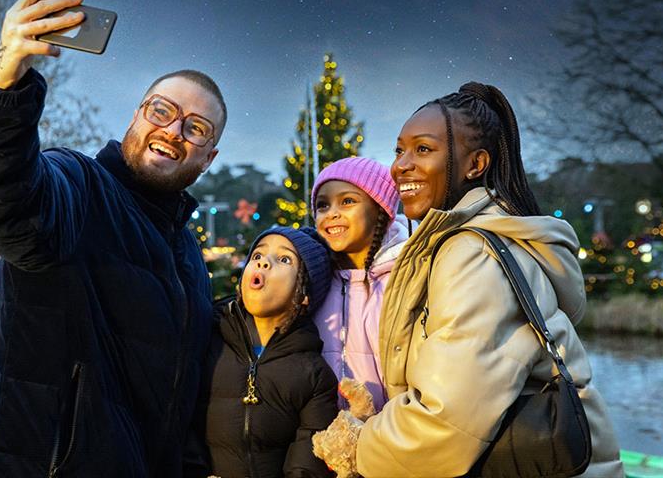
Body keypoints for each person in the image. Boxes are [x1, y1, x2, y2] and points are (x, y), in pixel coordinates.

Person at [0, 0, 226, 476]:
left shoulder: (187, 252)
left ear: (209, 157)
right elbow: (3, 197)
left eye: (197, 128)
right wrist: (2, 85)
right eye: (161, 110)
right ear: (137, 114)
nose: (173, 131)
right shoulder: (77, 185)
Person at [314, 82, 624, 477]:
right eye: (399, 150)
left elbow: (446, 421)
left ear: (475, 165)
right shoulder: (487, 239)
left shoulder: (472, 254)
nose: (401, 165)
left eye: (423, 149)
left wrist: (358, 447)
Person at [199, 227, 338, 478]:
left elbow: (306, 465)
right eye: (257, 256)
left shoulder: (314, 375)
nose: (263, 262)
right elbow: (182, 425)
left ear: (304, 293)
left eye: (284, 259)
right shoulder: (208, 340)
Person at [310, 157, 407, 412]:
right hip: (325, 439)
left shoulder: (406, 278)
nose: (331, 213)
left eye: (348, 201)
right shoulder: (314, 281)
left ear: (381, 209)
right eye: (322, 205)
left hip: (392, 436)